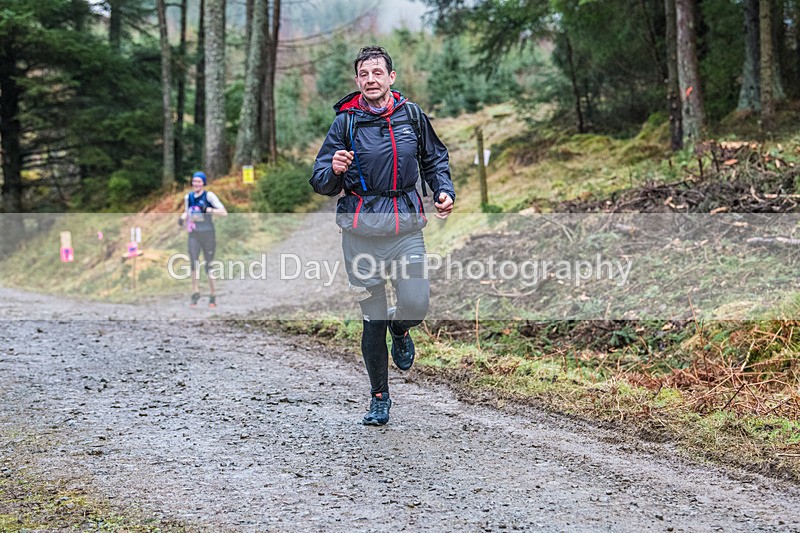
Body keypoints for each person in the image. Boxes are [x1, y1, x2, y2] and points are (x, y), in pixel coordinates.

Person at [310, 46, 455, 426]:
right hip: (359, 234)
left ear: (391, 77)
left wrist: (444, 190)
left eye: (377, 72)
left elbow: (434, 158)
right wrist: (335, 169)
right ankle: (379, 397)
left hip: (405, 227)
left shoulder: (411, 115)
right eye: (364, 74)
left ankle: (401, 328)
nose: (371, 79)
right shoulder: (345, 122)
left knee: (415, 302)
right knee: (371, 320)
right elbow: (321, 181)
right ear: (357, 81)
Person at [178, 171, 228, 308]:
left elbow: (224, 212)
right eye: (194, 181)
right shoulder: (188, 197)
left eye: (199, 182)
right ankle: (195, 292)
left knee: (208, 265)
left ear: (203, 183)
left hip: (208, 234)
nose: (196, 184)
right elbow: (188, 211)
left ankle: (212, 295)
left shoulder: (209, 196)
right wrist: (182, 219)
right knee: (193, 262)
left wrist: (209, 210)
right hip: (194, 233)